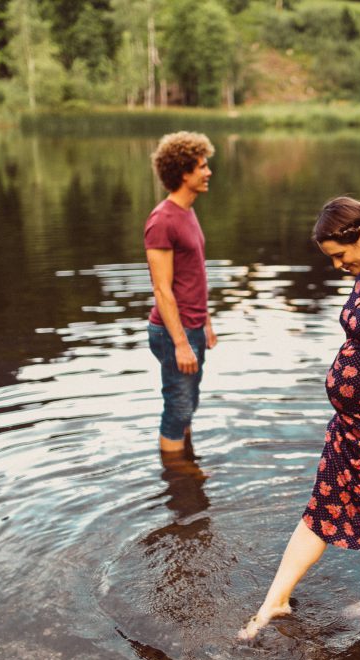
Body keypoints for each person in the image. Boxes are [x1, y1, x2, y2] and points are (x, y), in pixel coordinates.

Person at [239, 196, 360, 640]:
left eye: (340, 254)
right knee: (321, 507)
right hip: (351, 425)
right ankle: (276, 601)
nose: (337, 265)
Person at [145, 131, 218, 453]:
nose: (208, 172)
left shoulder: (187, 212)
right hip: (173, 331)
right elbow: (162, 289)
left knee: (188, 405)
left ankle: (187, 465)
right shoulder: (162, 220)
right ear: (184, 173)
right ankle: (177, 476)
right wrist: (181, 343)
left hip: (192, 325)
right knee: (177, 410)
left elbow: (194, 274)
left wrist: (206, 321)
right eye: (202, 166)